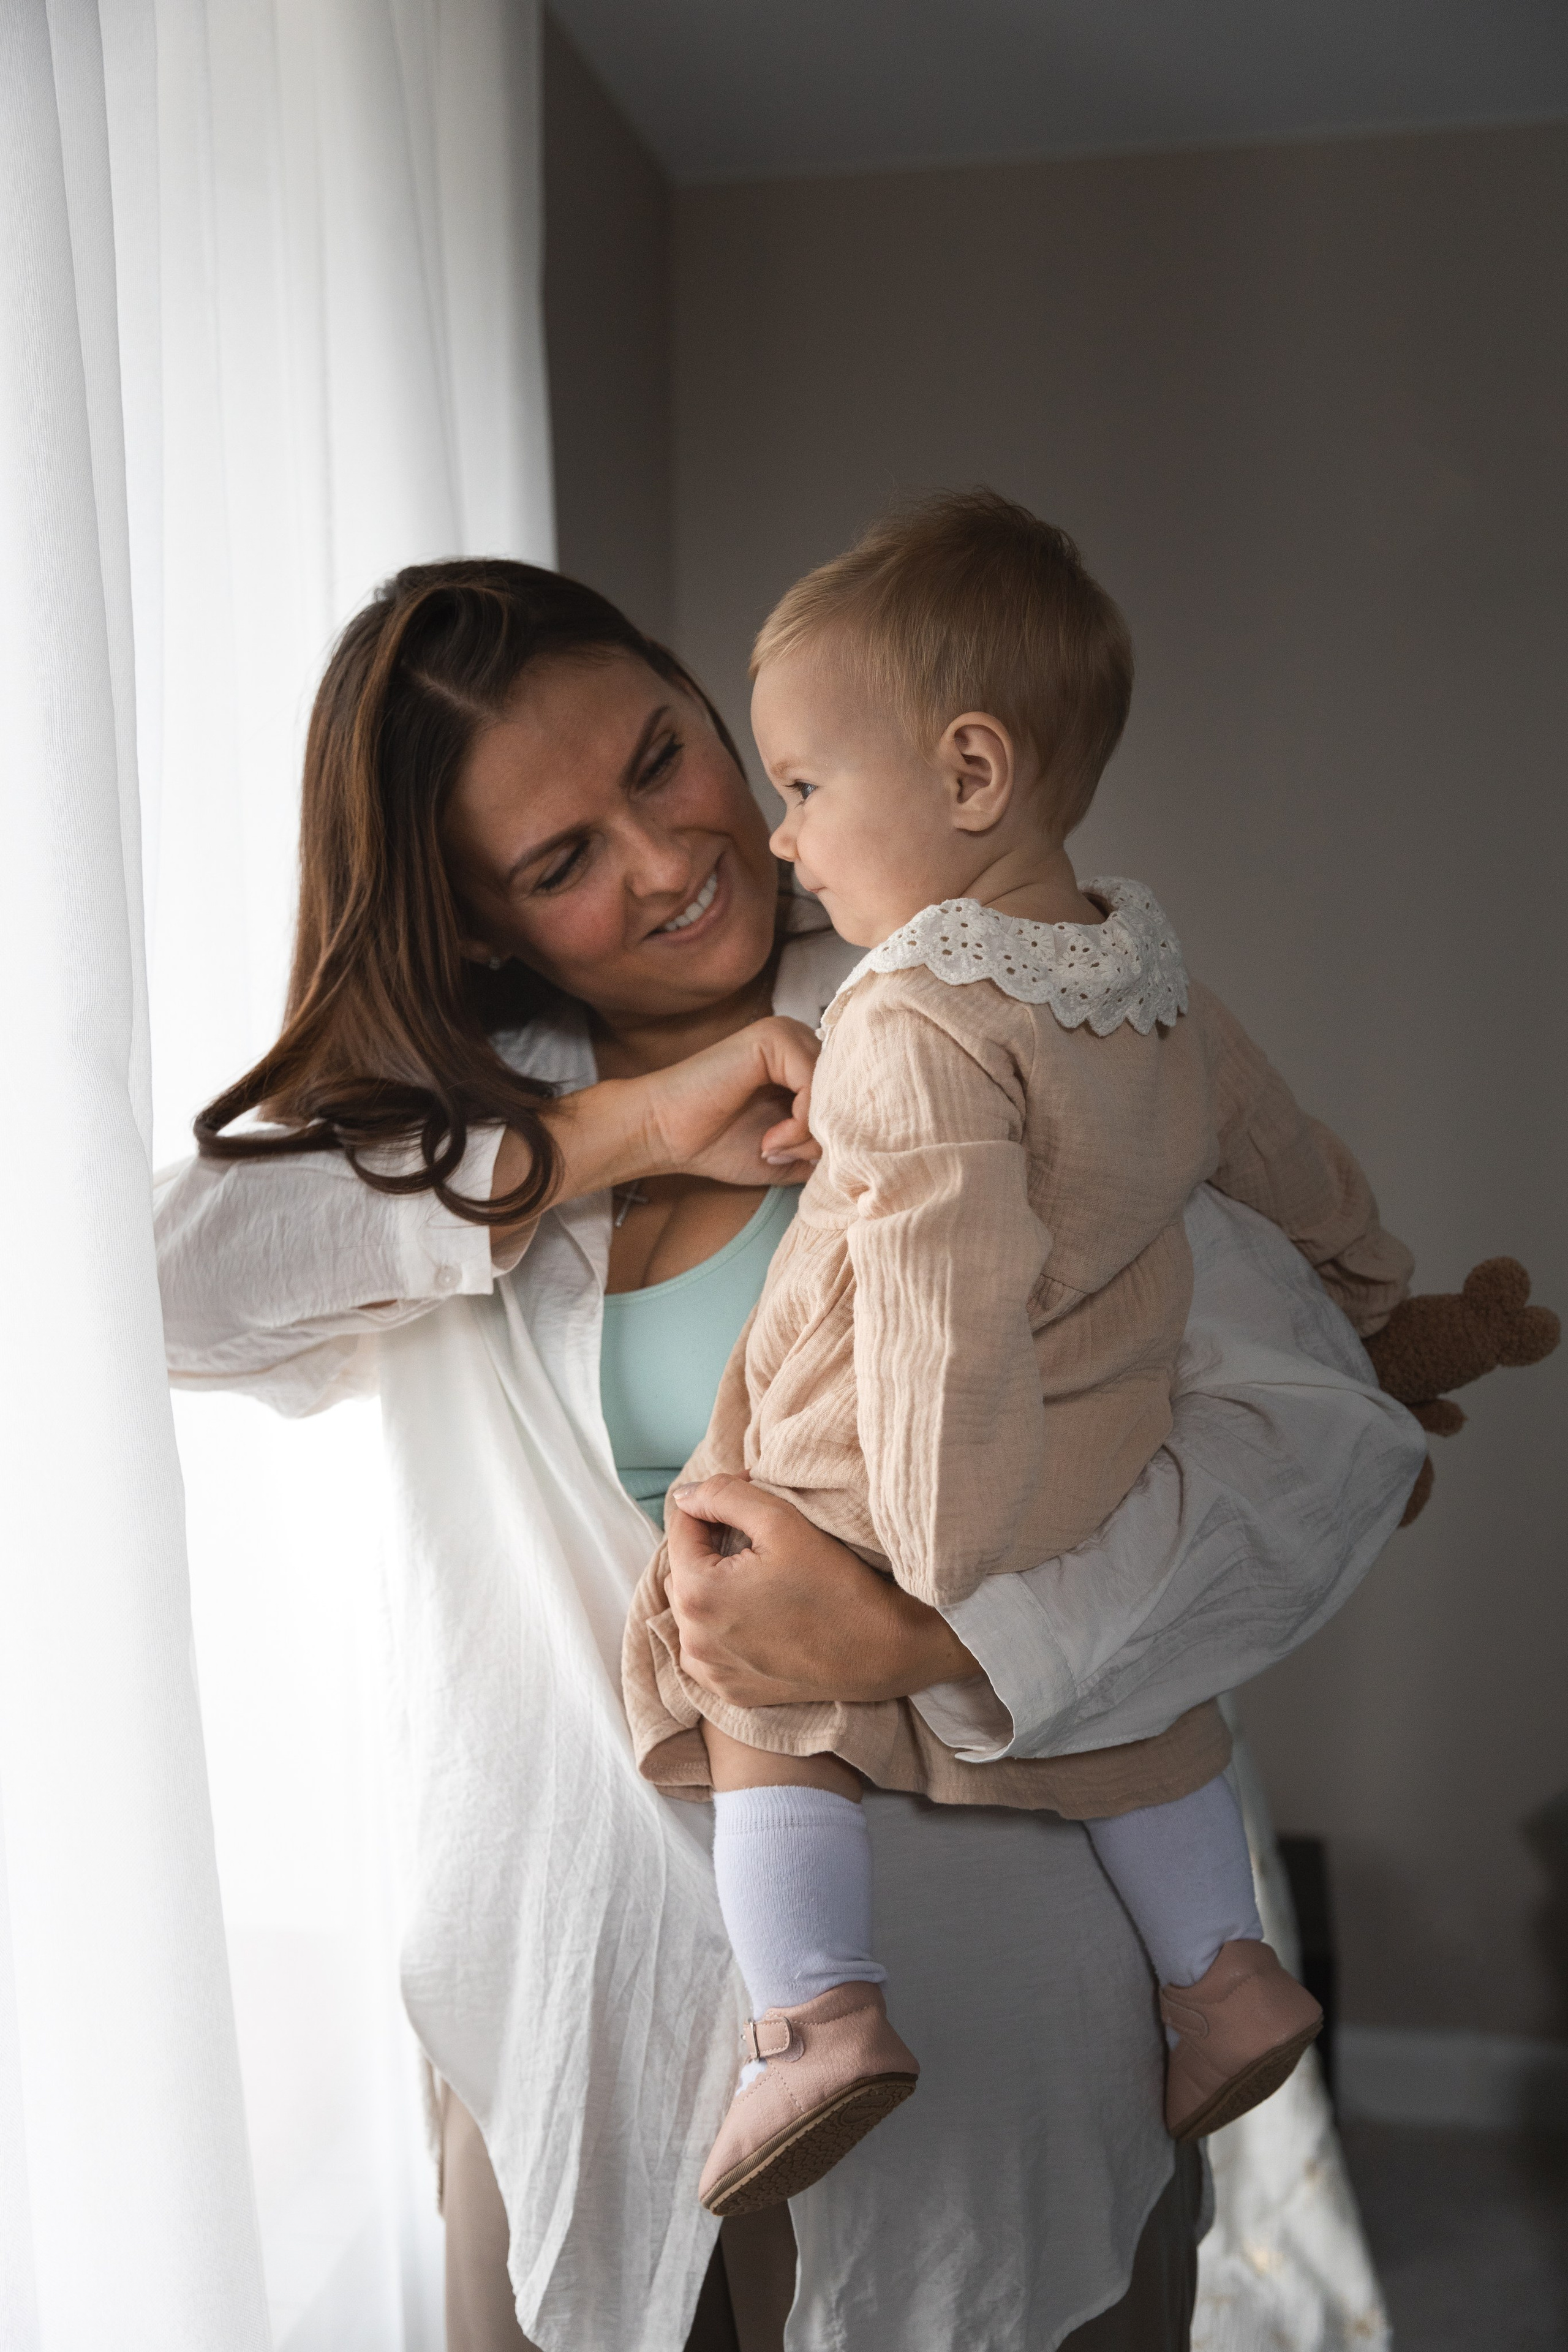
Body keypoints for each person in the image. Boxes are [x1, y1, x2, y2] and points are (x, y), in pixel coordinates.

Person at [153, 557, 1425, 2352]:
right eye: (561, 862)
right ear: (481, 928)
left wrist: (937, 1643)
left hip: (993, 2017)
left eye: (664, 762)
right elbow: (148, 1288)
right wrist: (606, 1134)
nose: (672, 861)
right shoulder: (463, 1145)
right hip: (588, 2016)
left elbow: (1311, 1449)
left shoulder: (986, 1013)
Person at [623, 494, 1409, 2217]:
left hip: (906, 1474)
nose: (778, 838)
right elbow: (1286, 1157)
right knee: (1145, 1718)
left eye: (807, 787)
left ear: (970, 775)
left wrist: (926, 1551)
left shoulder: (908, 1017)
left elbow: (939, 1301)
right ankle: (1224, 1978)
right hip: (1102, 1454)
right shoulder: (1149, 982)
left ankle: (817, 2020)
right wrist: (1378, 1287)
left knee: (758, 1692)